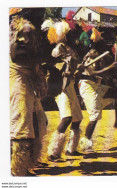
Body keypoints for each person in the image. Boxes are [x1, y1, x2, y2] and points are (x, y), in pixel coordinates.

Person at [10, 14, 48, 175]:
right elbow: (17, 55)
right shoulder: (15, 49)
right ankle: (16, 171)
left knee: (39, 124)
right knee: (20, 130)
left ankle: (24, 167)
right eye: (22, 36)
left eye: (28, 36)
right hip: (17, 87)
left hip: (27, 88)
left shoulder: (30, 49)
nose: (25, 39)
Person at [44, 20, 83, 160]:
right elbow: (52, 67)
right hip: (61, 87)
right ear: (64, 35)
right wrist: (63, 72)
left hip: (70, 85)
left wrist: (77, 71)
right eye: (69, 33)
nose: (73, 35)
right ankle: (53, 152)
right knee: (67, 118)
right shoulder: (58, 48)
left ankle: (71, 149)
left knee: (77, 119)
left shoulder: (71, 49)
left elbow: (74, 68)